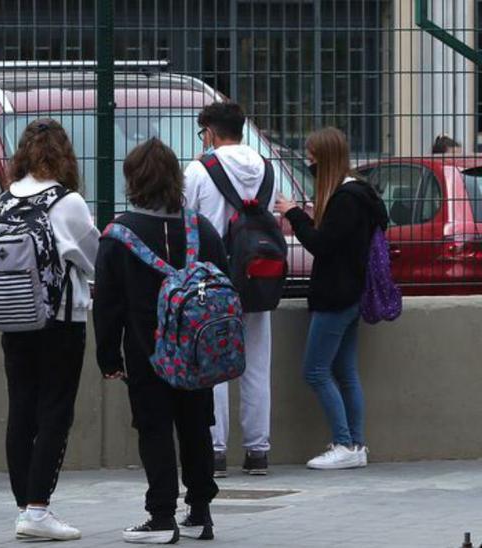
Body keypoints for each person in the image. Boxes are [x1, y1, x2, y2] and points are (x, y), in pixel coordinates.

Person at [95, 139, 225, 544]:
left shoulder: (119, 236)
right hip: (198, 350)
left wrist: (108, 356)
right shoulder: (200, 228)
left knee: (154, 428)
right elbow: (223, 281)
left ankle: (161, 516)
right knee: (196, 426)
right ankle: (200, 512)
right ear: (175, 178)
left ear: (132, 180)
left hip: (146, 350)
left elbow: (108, 305)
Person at [0, 119, 98, 541]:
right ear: (64, 155)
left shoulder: (3, 201)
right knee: (55, 411)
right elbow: (93, 259)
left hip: (14, 318)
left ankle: (25, 504)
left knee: (21, 410)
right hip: (60, 321)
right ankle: (37, 509)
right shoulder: (67, 202)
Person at [273, 128, 387, 471]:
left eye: (311, 157)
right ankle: (356, 444)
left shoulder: (345, 199)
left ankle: (344, 443)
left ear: (326, 158)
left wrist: (293, 213)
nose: (308, 163)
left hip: (336, 297)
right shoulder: (359, 194)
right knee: (346, 371)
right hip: (350, 294)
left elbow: (322, 244)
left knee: (315, 371)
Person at [183, 102, 276, 477]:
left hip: (212, 275)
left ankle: (215, 451)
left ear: (210, 131)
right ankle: (258, 452)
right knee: (256, 363)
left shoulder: (200, 170)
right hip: (257, 274)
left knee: (214, 363)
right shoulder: (265, 167)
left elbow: (184, 216)